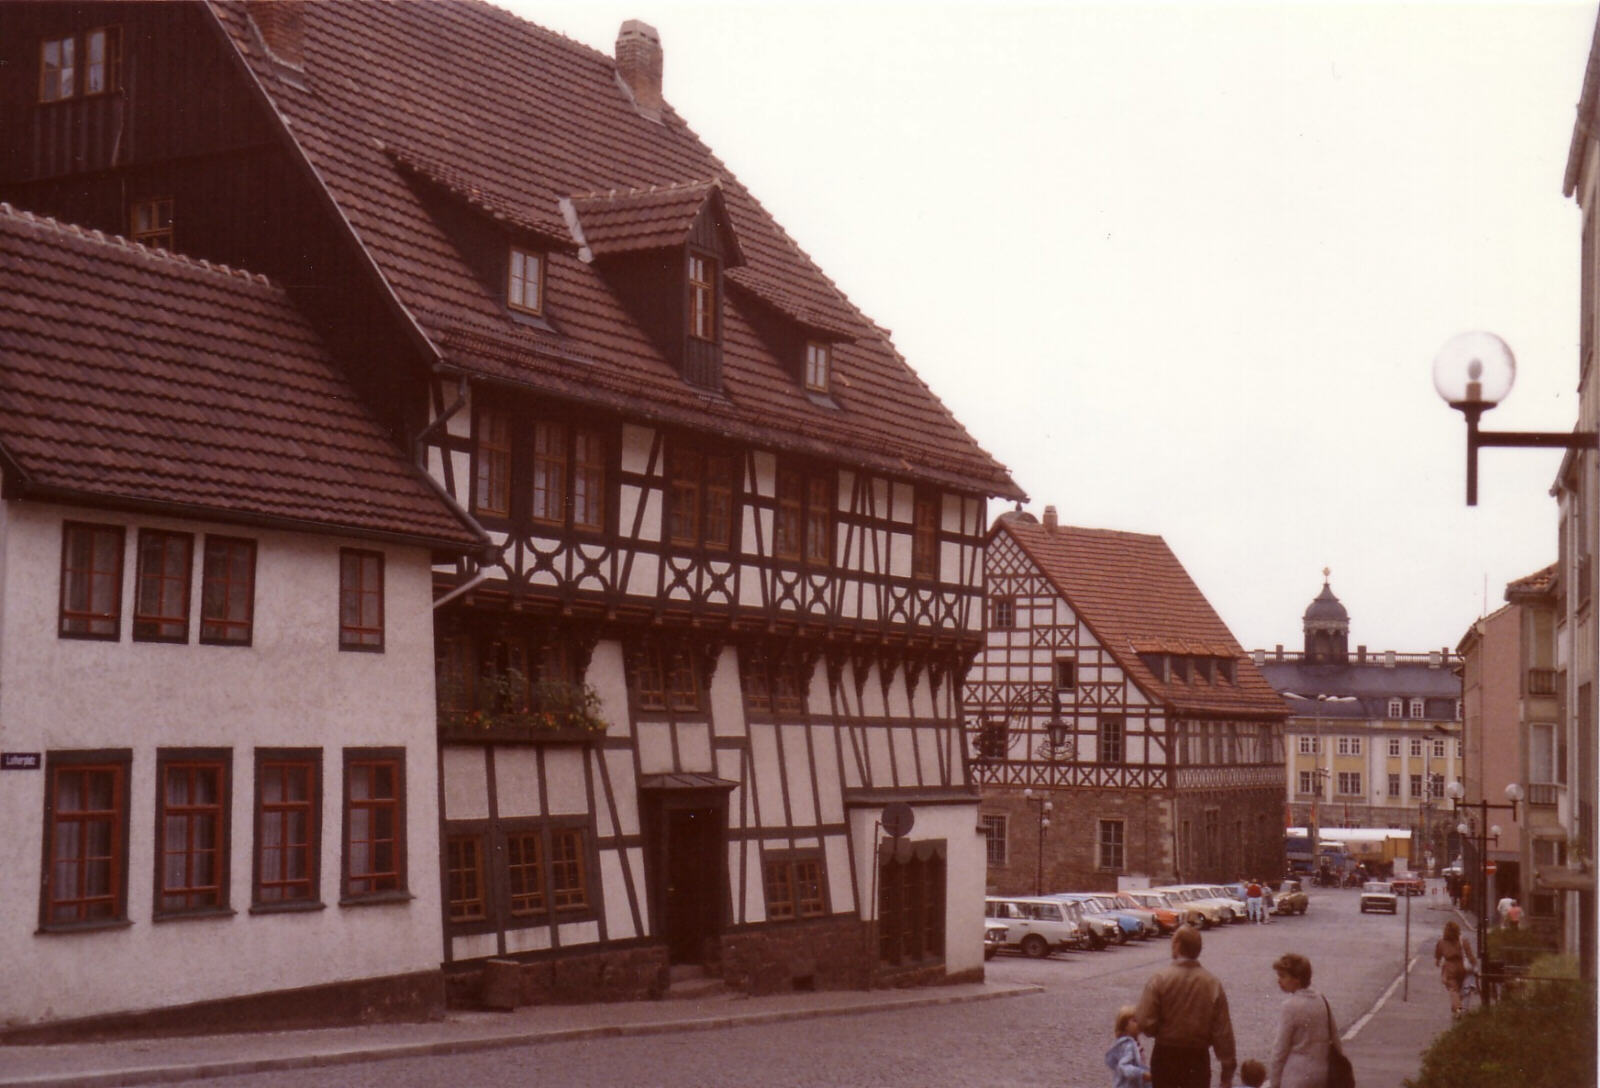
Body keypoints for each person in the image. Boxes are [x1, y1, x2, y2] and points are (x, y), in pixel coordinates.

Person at [1135, 925, 1237, 1088]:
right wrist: (1227, 1072)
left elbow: (1144, 1021)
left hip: (1165, 1054)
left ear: (1177, 945)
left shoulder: (1160, 979)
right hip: (1197, 1057)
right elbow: (1223, 1031)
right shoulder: (1212, 983)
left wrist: (1160, 1030)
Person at [1268, 952, 1332, 1088]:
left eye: (1283, 976)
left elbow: (1280, 1050)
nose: (1279, 981)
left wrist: (1274, 1082)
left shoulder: (1290, 1006)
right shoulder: (1322, 1000)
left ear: (1297, 979)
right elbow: (1335, 1040)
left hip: (1296, 1077)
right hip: (1322, 1074)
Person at [1435, 919, 1478, 1016]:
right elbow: (1470, 955)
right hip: (1462, 966)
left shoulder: (1441, 942)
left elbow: (1438, 955)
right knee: (1460, 989)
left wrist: (1437, 961)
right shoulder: (1463, 941)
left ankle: (1458, 1009)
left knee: (1453, 989)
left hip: (1449, 968)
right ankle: (1457, 1007)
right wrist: (1474, 965)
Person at [1106, 1005, 1153, 1088]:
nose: (1139, 1023)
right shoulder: (1128, 1045)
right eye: (1134, 1020)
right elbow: (1124, 1066)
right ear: (1124, 1026)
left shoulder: (1134, 1043)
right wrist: (1142, 1074)